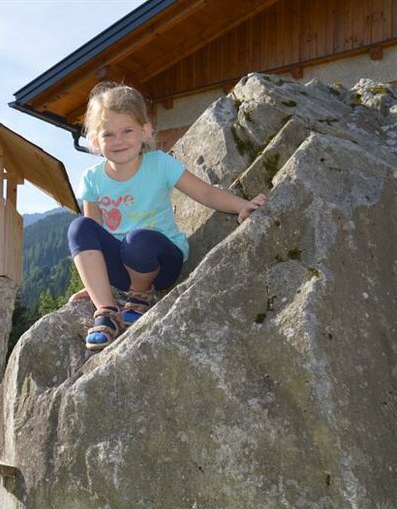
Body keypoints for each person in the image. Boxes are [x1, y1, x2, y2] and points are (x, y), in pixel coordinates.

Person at [69, 81, 267, 350]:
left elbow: (205, 192)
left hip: (161, 263)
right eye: (108, 134)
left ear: (145, 131)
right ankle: (106, 311)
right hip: (122, 269)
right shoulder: (92, 179)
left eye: (127, 130)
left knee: (138, 241)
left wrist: (241, 205)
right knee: (79, 227)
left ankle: (140, 296)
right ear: (95, 141)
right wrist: (95, 284)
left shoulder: (159, 164)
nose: (119, 140)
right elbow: (94, 236)